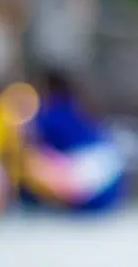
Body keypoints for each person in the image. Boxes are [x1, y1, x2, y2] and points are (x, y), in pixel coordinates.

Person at [18, 69, 127, 213]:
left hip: (84, 170)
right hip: (109, 172)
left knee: (28, 161)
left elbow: (30, 143)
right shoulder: (82, 107)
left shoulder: (50, 112)